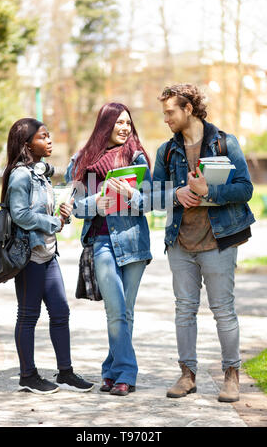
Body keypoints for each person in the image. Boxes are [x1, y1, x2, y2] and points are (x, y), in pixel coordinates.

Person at [153, 84, 255, 402]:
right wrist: (175, 194)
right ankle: (187, 375)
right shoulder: (166, 152)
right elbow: (152, 195)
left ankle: (231, 376)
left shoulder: (224, 143)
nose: (166, 118)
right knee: (184, 310)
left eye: (170, 112)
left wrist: (208, 192)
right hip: (180, 243)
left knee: (223, 311)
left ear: (189, 109)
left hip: (219, 242)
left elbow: (245, 188)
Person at [1, 118, 94, 394]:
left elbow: (40, 212)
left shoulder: (39, 174)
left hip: (47, 252)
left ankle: (65, 373)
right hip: (28, 255)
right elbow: (20, 215)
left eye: (49, 135)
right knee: (28, 315)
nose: (50, 140)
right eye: (43, 136)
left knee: (60, 312)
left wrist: (59, 215)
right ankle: (27, 375)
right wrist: (52, 223)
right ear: (27, 143)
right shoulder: (20, 175)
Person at [65, 103, 152, 396]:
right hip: (101, 242)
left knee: (125, 311)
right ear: (106, 124)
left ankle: (113, 370)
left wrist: (132, 194)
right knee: (115, 310)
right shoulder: (82, 160)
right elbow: (73, 206)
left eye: (128, 123)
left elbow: (152, 202)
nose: (125, 128)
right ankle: (126, 372)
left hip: (133, 242)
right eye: (119, 123)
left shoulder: (136, 157)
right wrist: (94, 205)